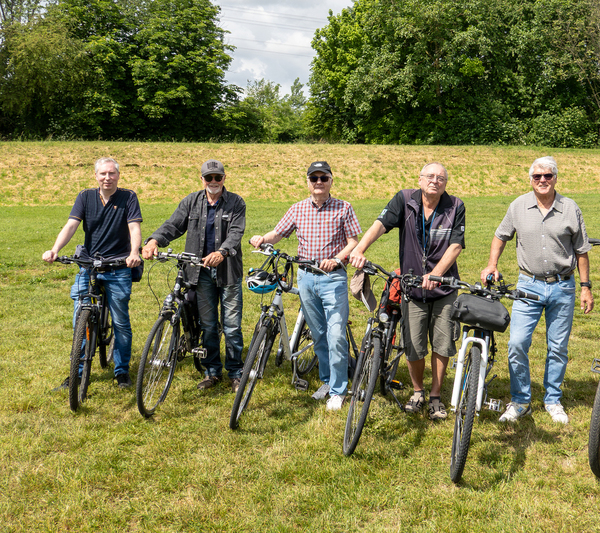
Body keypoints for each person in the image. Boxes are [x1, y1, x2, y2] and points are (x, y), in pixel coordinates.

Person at [480, 156, 593, 424]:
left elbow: (581, 250)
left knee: (558, 347)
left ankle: (553, 400)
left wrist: (585, 287)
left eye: (548, 176)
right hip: (528, 285)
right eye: (537, 176)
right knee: (517, 343)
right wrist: (492, 264)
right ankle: (520, 401)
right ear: (530, 179)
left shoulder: (570, 208)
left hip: (562, 286)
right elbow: (500, 235)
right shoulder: (518, 206)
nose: (542, 180)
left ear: (556, 178)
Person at [350, 162, 465, 421]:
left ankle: (435, 396)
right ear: (420, 179)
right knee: (413, 345)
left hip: (444, 288)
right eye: (430, 176)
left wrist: (437, 274)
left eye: (441, 178)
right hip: (412, 287)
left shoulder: (456, 206)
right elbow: (380, 224)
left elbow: (456, 245)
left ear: (446, 184)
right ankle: (418, 391)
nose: (435, 181)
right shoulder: (405, 200)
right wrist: (360, 249)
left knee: (442, 344)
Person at [250, 161, 361, 411]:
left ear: (331, 180)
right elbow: (278, 233)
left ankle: (339, 391)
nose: (318, 182)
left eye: (323, 178)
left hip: (333, 278)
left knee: (335, 335)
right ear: (308, 182)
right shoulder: (297, 208)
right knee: (318, 334)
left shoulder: (344, 207)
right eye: (314, 178)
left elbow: (353, 241)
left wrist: (337, 259)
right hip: (306, 278)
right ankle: (327, 381)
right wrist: (262, 238)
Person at [142, 159, 246, 393]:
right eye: (209, 178)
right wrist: (154, 240)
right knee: (208, 325)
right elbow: (173, 225)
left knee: (231, 326)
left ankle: (235, 372)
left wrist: (222, 252)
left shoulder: (236, 202)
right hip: (200, 272)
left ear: (224, 178)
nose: (213, 181)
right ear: (202, 179)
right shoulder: (191, 201)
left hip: (228, 272)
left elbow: (236, 232)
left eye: (217, 177)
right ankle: (212, 371)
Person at [43, 157, 143, 389]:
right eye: (103, 174)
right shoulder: (85, 197)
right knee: (80, 318)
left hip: (118, 266)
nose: (107, 178)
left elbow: (134, 227)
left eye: (111, 173)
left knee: (120, 322)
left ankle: (121, 371)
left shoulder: (128, 197)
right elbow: (71, 225)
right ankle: (76, 373)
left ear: (118, 175)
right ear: (96, 176)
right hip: (89, 264)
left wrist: (134, 252)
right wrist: (55, 249)